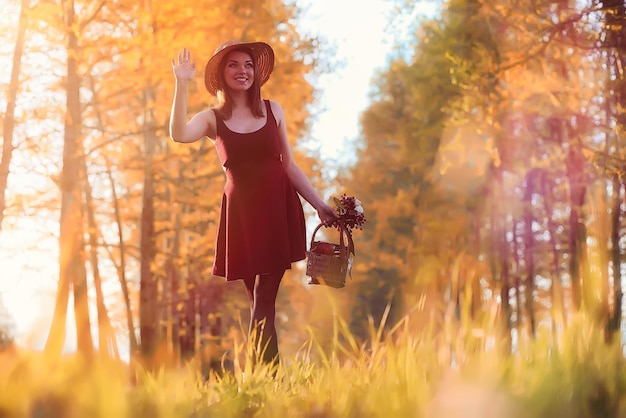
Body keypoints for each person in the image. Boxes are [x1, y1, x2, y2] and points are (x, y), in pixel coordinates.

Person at [169, 41, 338, 368]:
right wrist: (181, 83)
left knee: (263, 296)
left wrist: (317, 203)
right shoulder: (212, 119)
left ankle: (262, 375)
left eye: (247, 64)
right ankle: (270, 381)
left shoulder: (273, 110)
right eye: (233, 65)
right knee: (259, 302)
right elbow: (178, 133)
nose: (242, 71)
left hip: (277, 210)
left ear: (256, 71)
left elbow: (288, 165)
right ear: (222, 73)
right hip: (241, 217)